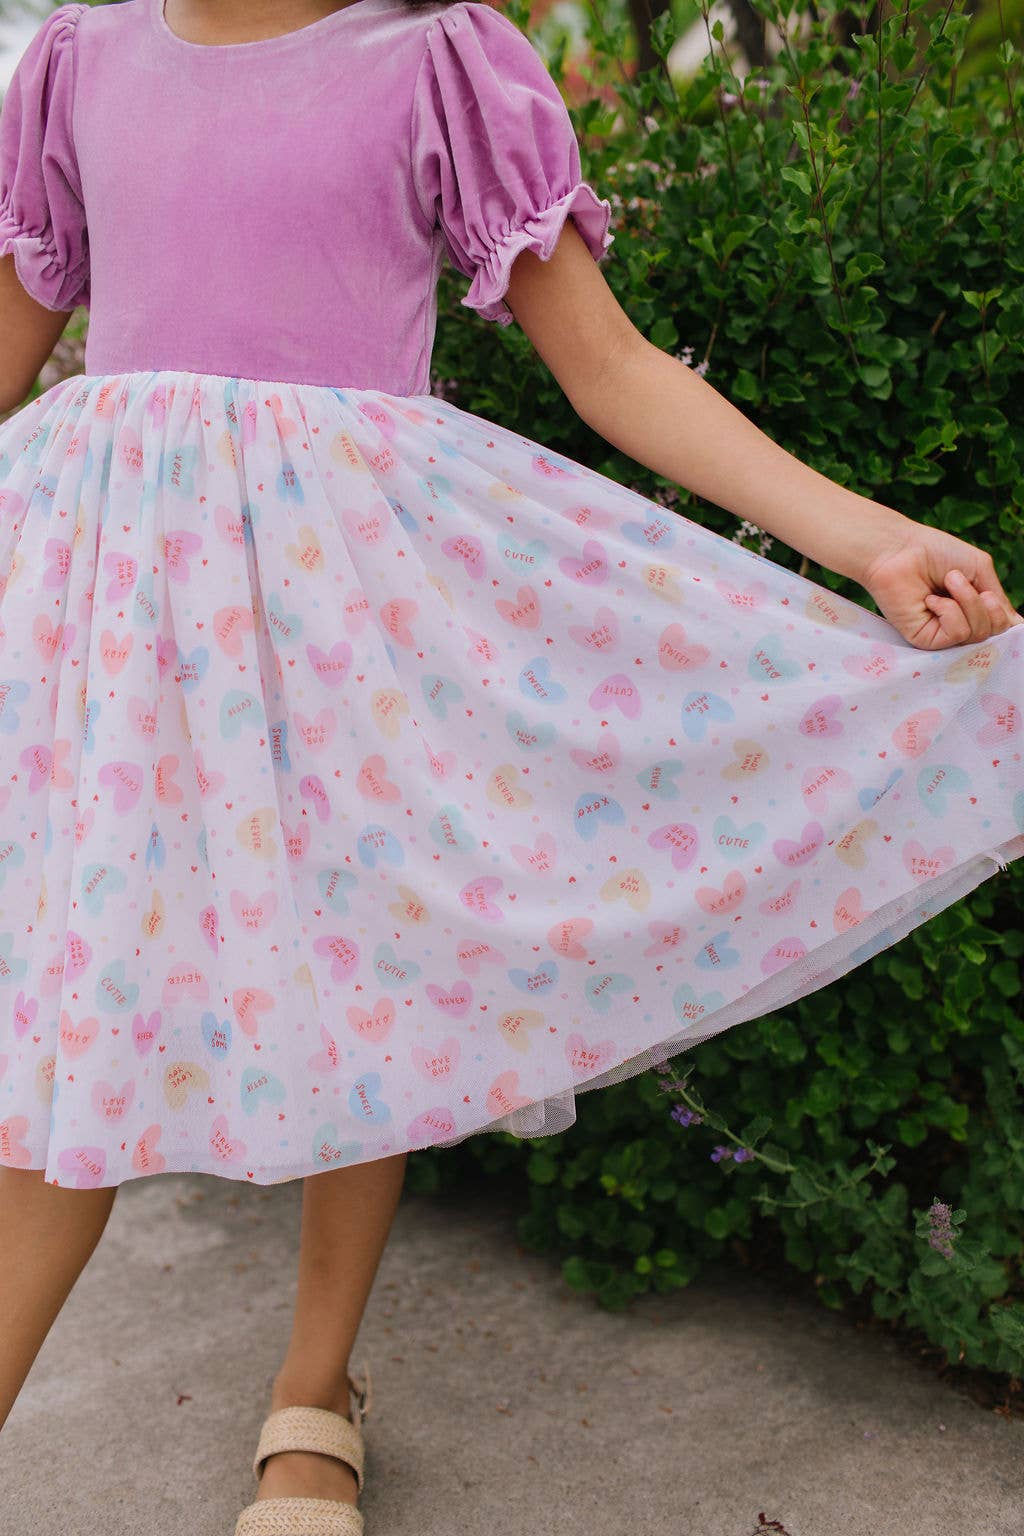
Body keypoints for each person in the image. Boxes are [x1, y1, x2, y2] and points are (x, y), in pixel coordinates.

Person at [0, 1, 1021, 1531]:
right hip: (123, 618)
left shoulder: (433, 54)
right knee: (77, 1014)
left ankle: (315, 1391)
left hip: (350, 610)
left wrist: (868, 541)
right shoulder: (81, 56)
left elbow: (607, 367)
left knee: (371, 977)